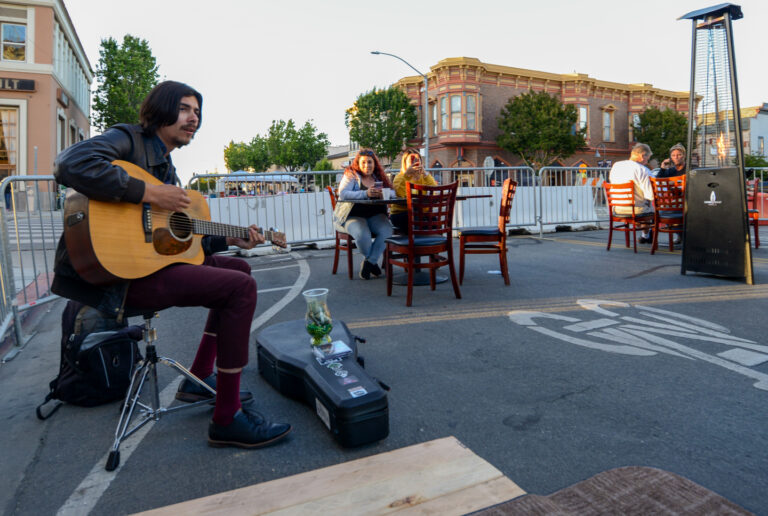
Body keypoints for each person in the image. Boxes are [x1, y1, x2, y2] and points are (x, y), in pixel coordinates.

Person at [51, 81, 291, 449]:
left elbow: (182, 239)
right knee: (240, 288)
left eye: (197, 112)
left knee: (238, 271)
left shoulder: (167, 168)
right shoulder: (127, 140)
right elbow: (70, 163)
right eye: (184, 109)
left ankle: (199, 377)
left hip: (147, 266)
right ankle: (227, 418)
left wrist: (232, 239)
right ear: (160, 110)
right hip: (115, 277)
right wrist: (148, 192)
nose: (193, 118)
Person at [333, 148, 393, 279]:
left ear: (375, 163)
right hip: (352, 215)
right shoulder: (351, 174)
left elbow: (393, 193)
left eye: (370, 162)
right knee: (362, 235)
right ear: (358, 164)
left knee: (387, 231)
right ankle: (372, 262)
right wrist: (365, 193)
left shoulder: (379, 177)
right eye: (364, 162)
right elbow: (342, 193)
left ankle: (369, 262)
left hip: (375, 215)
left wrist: (384, 193)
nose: (367, 165)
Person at [608, 143, 655, 243]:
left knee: (641, 203)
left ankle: (645, 235)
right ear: (643, 156)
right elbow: (651, 195)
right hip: (635, 210)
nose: (647, 161)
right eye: (648, 158)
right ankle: (647, 235)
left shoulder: (616, 166)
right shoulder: (642, 170)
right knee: (651, 207)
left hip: (617, 209)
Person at [389, 148, 437, 234]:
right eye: (411, 160)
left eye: (417, 160)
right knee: (418, 220)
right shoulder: (400, 177)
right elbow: (400, 194)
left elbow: (434, 189)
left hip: (421, 213)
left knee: (434, 222)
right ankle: (417, 245)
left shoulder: (423, 178)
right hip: (402, 213)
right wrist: (407, 174)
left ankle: (433, 246)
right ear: (405, 163)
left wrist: (425, 173)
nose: (415, 163)